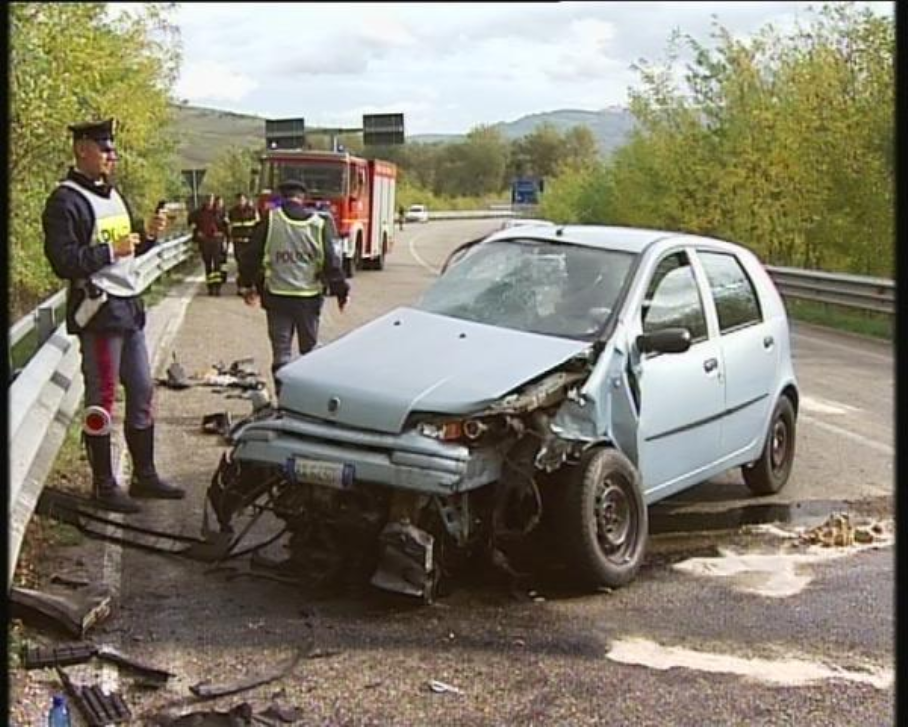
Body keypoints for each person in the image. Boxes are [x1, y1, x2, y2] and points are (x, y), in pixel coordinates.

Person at [42, 118, 185, 513]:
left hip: (129, 306)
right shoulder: (65, 200)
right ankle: (104, 486)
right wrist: (111, 251)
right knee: (102, 399)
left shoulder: (112, 194)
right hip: (100, 312)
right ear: (82, 150)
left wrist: (149, 235)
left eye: (113, 149)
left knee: (142, 390)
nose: (112, 156)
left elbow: (127, 248)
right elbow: (63, 261)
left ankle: (145, 476)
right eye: (104, 149)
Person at [237, 179, 350, 394]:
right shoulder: (318, 224)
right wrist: (341, 291)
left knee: (281, 353)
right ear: (303, 198)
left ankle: (283, 399)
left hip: (277, 296)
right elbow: (331, 262)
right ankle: (307, 400)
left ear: (281, 197)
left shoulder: (270, 220)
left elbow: (251, 256)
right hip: (308, 299)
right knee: (309, 351)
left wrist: (246, 285)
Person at [190, 193, 227, 295]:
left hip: (216, 241)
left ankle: (217, 287)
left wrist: (223, 235)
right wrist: (197, 233)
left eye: (211, 199)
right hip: (205, 241)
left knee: (217, 264)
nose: (209, 202)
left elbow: (225, 226)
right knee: (207, 264)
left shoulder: (218, 212)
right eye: (207, 199)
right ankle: (210, 287)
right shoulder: (198, 213)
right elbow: (192, 223)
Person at [227, 192, 259, 294]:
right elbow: (229, 225)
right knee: (240, 265)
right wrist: (229, 238)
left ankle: (250, 286)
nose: (241, 202)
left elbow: (257, 225)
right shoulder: (232, 212)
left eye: (242, 199)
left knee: (250, 264)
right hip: (238, 241)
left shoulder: (252, 211)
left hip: (249, 241)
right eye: (239, 200)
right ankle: (241, 287)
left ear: (246, 200)